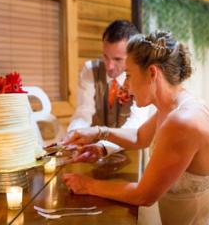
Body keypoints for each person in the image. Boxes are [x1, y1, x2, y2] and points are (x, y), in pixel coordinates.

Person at [62, 30, 209, 225]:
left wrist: (88, 185)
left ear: (152, 73)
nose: (125, 85)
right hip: (182, 221)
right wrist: (98, 132)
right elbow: (140, 137)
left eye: (129, 75)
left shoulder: (183, 121)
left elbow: (144, 194)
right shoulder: (171, 106)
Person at [66, 20, 155, 161]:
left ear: (134, 56)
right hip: (92, 154)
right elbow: (83, 113)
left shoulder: (141, 77)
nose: (109, 66)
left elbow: (136, 123)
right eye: (105, 56)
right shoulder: (90, 71)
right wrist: (75, 134)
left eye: (118, 59)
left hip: (130, 153)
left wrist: (104, 146)